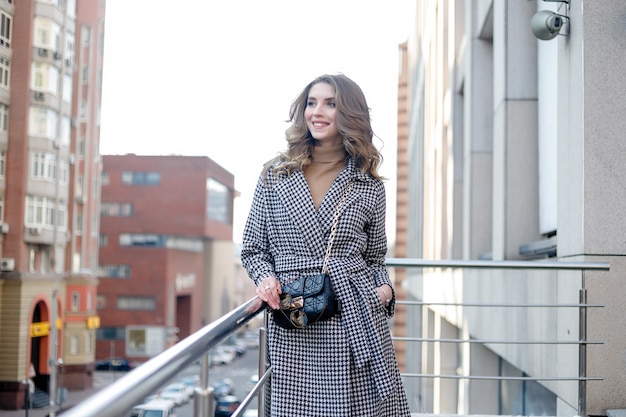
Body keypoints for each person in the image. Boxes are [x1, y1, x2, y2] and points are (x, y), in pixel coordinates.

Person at [241, 73, 411, 416]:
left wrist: (384, 290)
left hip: (353, 313)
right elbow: (253, 248)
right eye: (311, 102)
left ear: (349, 113)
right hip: (297, 313)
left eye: (330, 103)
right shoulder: (274, 175)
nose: (317, 112)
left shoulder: (368, 184)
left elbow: (376, 258)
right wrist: (265, 279)